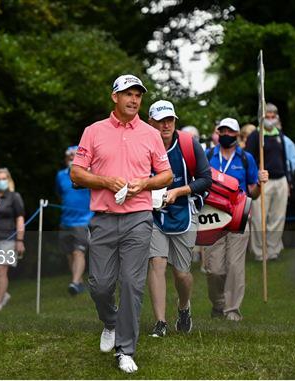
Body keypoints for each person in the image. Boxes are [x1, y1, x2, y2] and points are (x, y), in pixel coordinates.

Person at [70, 74, 173, 373]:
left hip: (139, 218)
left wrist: (145, 183)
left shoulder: (151, 134)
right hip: (103, 218)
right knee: (100, 285)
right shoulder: (93, 131)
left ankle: (125, 349)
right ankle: (111, 321)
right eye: (128, 94)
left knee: (131, 283)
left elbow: (166, 176)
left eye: (138, 95)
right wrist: (105, 181)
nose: (134, 99)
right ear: (114, 97)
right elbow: (77, 174)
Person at [146, 100, 212, 338]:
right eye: (160, 120)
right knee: (157, 263)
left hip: (185, 211)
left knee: (182, 273)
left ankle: (184, 307)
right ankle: (160, 322)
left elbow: (206, 179)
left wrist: (177, 191)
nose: (166, 125)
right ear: (150, 122)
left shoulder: (187, 144)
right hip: (154, 215)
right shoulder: (142, 144)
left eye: (170, 120)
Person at [204, 118, 268, 321]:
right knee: (214, 269)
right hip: (213, 217)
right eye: (222, 131)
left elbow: (254, 194)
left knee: (235, 265)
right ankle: (218, 304)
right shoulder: (208, 156)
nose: (226, 135)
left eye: (230, 132)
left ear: (237, 135)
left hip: (239, 217)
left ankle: (232, 310)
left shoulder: (246, 158)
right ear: (218, 132)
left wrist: (259, 183)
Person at [245, 103, 289, 260]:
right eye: (267, 116)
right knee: (259, 219)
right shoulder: (255, 136)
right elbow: (248, 159)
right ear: (262, 118)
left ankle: (273, 250)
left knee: (277, 218)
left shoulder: (279, 134)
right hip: (263, 182)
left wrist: (288, 180)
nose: (270, 119)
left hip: (281, 179)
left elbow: (284, 159)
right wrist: (254, 178)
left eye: (273, 116)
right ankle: (259, 252)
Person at [55, 145, 93, 295]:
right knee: (69, 253)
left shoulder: (89, 175)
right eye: (69, 156)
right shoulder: (60, 176)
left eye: (75, 155)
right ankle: (79, 282)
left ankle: (75, 282)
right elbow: (60, 193)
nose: (72, 158)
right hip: (65, 220)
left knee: (79, 252)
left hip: (84, 220)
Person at [0, 168, 25, 312]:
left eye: (4, 178)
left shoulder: (14, 197)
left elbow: (20, 219)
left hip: (8, 239)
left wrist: (20, 240)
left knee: (2, 270)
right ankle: (4, 294)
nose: (1, 181)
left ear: (8, 180)